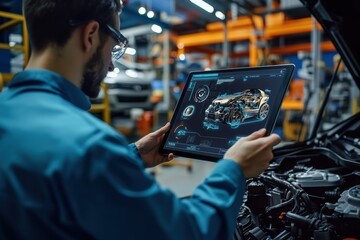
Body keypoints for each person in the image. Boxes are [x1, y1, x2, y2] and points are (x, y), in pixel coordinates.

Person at [0, 0, 281, 239]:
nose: (111, 64)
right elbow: (189, 232)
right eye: (114, 46)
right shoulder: (89, 146)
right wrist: (234, 169)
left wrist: (131, 157)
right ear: (91, 35)